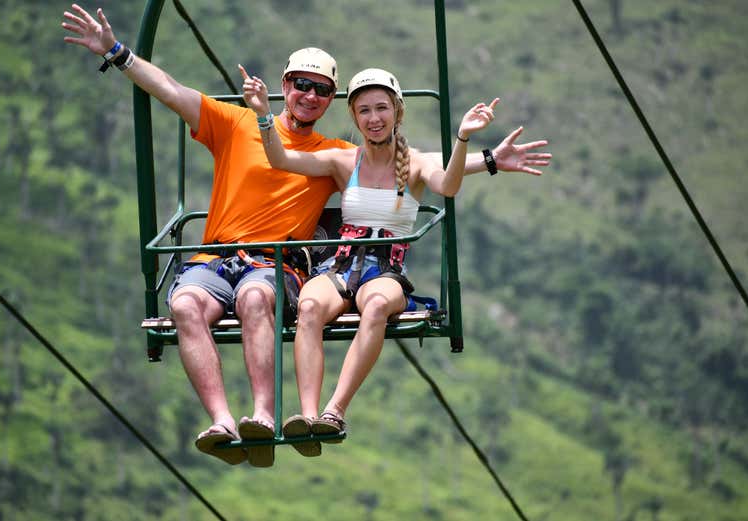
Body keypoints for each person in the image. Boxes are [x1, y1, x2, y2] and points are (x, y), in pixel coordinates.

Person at [63, 5, 551, 467]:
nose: (310, 95)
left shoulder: (337, 151)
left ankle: (267, 415)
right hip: (220, 257)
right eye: (301, 85)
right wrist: (117, 52)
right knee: (185, 305)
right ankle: (223, 422)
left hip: (277, 265)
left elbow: (422, 172)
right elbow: (170, 90)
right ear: (285, 85)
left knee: (258, 298)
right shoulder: (237, 125)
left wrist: (483, 157)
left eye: (321, 89)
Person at [242, 66, 508, 451]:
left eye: (381, 108)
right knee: (311, 305)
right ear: (355, 117)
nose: (374, 118)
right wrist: (265, 115)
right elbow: (281, 159)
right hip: (341, 265)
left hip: (385, 270)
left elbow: (448, 184)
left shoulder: (415, 163)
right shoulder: (343, 161)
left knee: (378, 303)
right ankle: (307, 414)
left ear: (397, 112)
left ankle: (335, 408)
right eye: (364, 111)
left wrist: (463, 137)